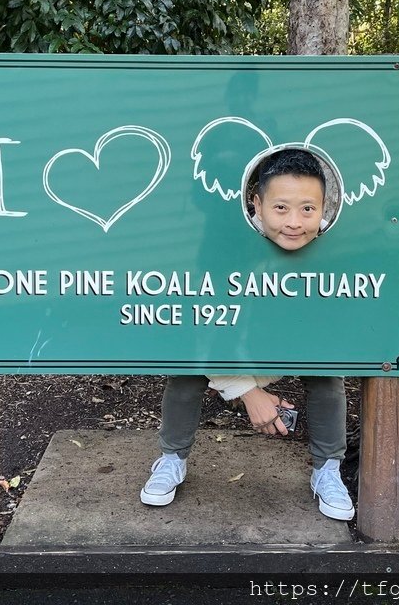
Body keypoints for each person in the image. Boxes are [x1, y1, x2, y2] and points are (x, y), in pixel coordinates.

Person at [139, 149, 354, 521]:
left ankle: (328, 470)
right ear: (255, 205)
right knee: (186, 371)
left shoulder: (333, 253)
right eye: (281, 208)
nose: (295, 222)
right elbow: (204, 333)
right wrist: (249, 393)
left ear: (326, 208)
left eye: (308, 209)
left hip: (287, 345)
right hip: (224, 349)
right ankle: (172, 458)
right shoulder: (226, 249)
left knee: (326, 370)